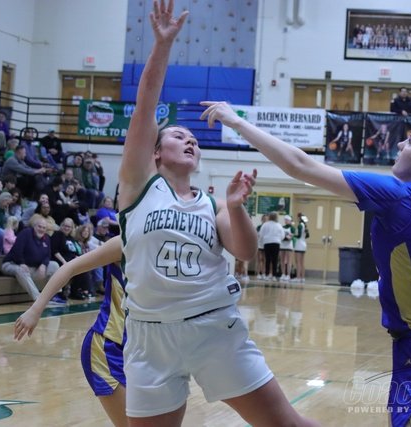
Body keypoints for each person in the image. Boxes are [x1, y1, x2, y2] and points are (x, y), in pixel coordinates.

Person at [201, 96, 411, 426]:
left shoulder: (402, 197)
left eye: (410, 140)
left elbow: (302, 166)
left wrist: (237, 121)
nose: (400, 144)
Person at [116, 2, 319, 425]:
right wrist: (162, 45)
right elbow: (145, 104)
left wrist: (236, 207)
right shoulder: (138, 186)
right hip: (149, 336)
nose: (190, 140)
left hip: (213, 329)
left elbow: (244, 251)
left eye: (194, 139)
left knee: (286, 424)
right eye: (179, 135)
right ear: (156, 152)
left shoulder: (211, 204)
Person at [15, 236, 127, 427]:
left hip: (142, 351)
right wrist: (36, 309)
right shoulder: (124, 242)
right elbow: (70, 268)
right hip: (109, 348)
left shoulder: (176, 243)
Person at [1, 216, 62, 305]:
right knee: (21, 269)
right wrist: (21, 263)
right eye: (39, 226)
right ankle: (38, 300)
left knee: (54, 265)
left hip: (31, 268)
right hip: (12, 264)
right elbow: (17, 250)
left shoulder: (46, 238)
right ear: (34, 226)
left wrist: (44, 264)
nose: (41, 229)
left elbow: (48, 255)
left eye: (44, 228)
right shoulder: (26, 233)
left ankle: (53, 296)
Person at [258, 211, 285, 282]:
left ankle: (267, 275)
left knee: (267, 259)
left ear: (269, 217)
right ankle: (274, 276)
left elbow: (261, 234)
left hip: (267, 243)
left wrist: (262, 241)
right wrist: (278, 239)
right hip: (276, 243)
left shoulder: (265, 224)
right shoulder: (279, 225)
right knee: (275, 260)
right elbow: (282, 235)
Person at [292, 213, 308, 283]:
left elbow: (298, 235)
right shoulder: (305, 225)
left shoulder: (300, 225)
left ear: (299, 218)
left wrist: (292, 235)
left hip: (299, 245)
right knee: (302, 262)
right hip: (303, 244)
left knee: (298, 262)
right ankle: (302, 278)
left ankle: (298, 277)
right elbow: (307, 236)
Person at [279, 214, 295, 282]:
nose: (286, 221)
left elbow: (291, 236)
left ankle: (288, 275)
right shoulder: (282, 227)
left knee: (289, 260)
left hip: (289, 245)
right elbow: (280, 235)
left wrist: (286, 237)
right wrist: (283, 238)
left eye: (287, 220)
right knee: (282, 260)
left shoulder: (292, 228)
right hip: (282, 245)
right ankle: (283, 274)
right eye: (285, 220)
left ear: (290, 220)